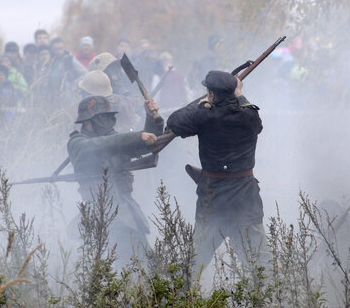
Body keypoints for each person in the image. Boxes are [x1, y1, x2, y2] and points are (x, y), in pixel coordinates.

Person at [166, 70, 267, 272]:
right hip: (245, 200)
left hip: (213, 200)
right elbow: (249, 111)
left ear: (211, 93)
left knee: (193, 267)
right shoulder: (250, 115)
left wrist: (202, 103)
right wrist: (239, 94)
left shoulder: (204, 115)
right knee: (262, 269)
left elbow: (174, 121)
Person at [67, 95, 163, 268]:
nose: (110, 122)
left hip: (126, 211)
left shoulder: (115, 141)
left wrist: (151, 118)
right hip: (100, 214)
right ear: (89, 122)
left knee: (146, 266)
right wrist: (137, 136)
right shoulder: (77, 143)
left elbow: (149, 143)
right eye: (104, 118)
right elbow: (101, 145)